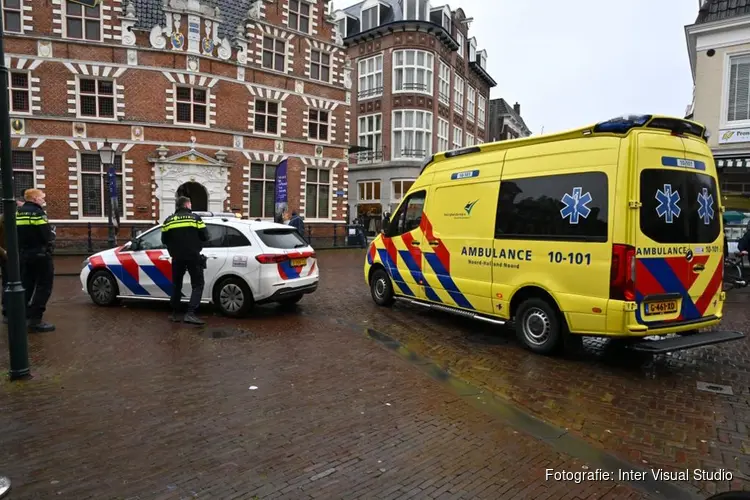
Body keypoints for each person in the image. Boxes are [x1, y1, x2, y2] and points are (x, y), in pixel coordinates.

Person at [161, 196, 208, 325]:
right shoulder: (195, 219)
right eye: (190, 204)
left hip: (177, 257)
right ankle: (190, 313)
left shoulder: (168, 221)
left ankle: (175, 313)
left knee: (177, 285)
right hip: (193, 257)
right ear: (187, 205)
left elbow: (164, 240)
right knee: (197, 284)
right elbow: (205, 236)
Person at [17, 189, 55, 332]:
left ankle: (25, 316)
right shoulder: (38, 213)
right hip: (40, 254)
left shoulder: (18, 213)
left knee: (27, 285)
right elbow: (46, 235)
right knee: (44, 286)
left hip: (24, 254)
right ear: (34, 198)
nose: (43, 200)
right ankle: (35, 320)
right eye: (41, 197)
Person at [0, 197, 27, 324]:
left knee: (21, 282)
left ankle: (19, 309)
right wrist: (5, 253)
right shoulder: (1, 220)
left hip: (20, 256)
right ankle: (6, 311)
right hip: (7, 258)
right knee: (7, 284)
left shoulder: (19, 219)